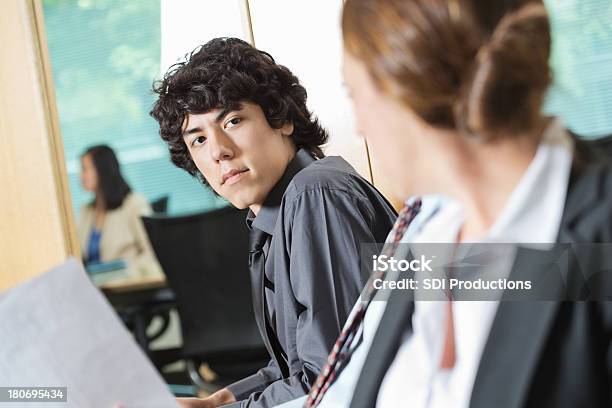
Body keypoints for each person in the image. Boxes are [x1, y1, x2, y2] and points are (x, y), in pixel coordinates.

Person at [294, 0, 612, 407]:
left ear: (405, 86)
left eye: (353, 94)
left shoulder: (597, 237)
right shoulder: (426, 232)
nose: (358, 127)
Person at [149, 38, 397, 408]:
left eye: (232, 121)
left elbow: (333, 378)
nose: (218, 150)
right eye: (198, 139)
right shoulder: (276, 216)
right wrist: (222, 400)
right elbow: (297, 365)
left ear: (281, 118)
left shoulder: (315, 195)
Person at [77, 145, 162, 276]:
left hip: (127, 285)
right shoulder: (86, 211)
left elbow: (153, 252)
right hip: (95, 287)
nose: (81, 176)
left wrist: (128, 272)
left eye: (85, 169)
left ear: (102, 170)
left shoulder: (134, 204)